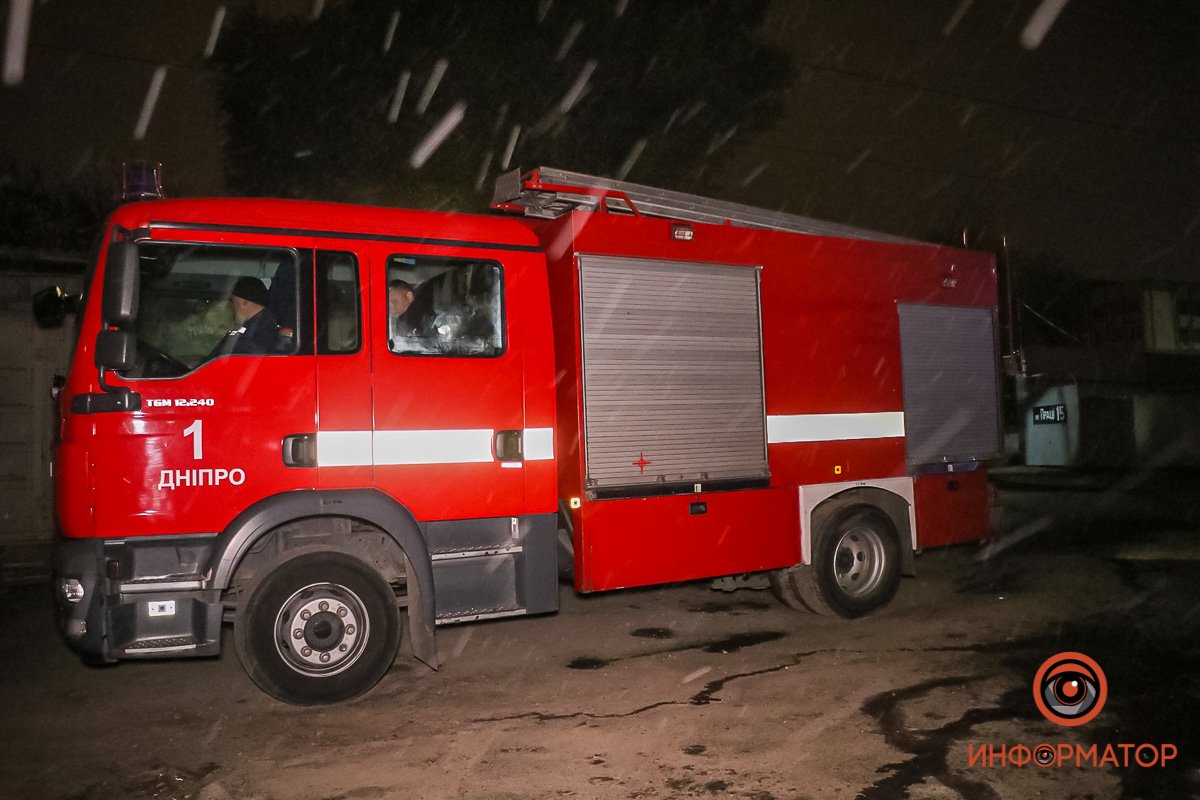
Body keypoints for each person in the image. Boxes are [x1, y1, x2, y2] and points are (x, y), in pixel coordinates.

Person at [214, 276, 281, 356]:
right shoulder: (253, 325)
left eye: (233, 301)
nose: (232, 306)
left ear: (245, 301)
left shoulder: (262, 330)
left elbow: (249, 357)